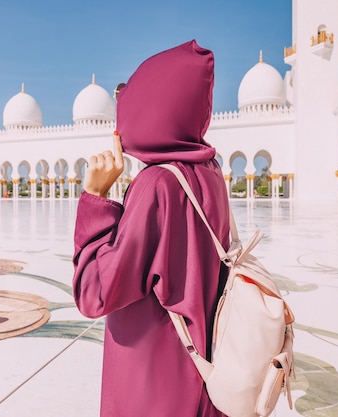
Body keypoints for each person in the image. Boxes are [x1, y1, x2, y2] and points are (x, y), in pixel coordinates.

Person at [72, 40, 231, 416]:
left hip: (153, 384)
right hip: (202, 373)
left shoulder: (157, 184)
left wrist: (95, 198)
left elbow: (95, 292)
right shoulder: (211, 176)